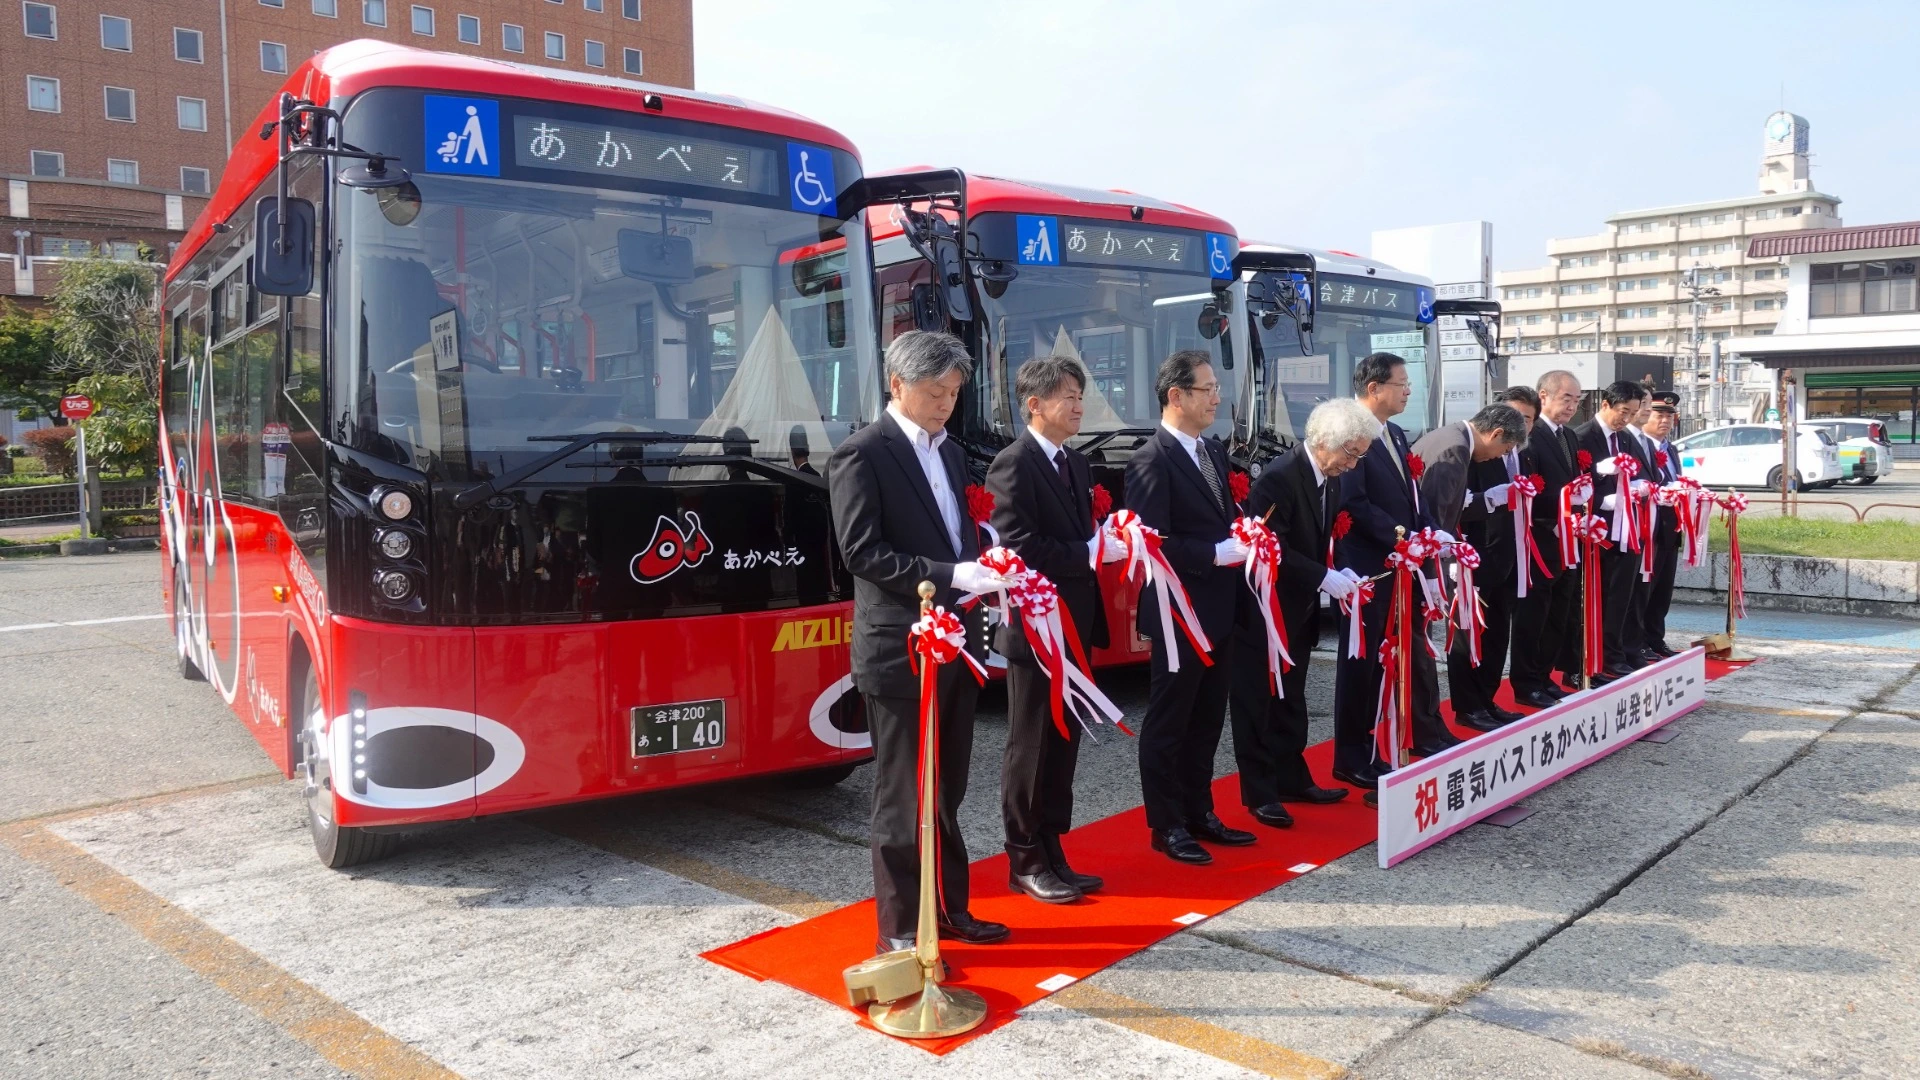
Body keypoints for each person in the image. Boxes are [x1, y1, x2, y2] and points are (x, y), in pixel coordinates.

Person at [828, 330, 1014, 953]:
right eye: (936, 393)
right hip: (899, 648)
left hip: (955, 640)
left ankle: (951, 908)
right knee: (904, 794)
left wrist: (983, 563)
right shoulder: (862, 454)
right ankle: (903, 932)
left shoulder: (951, 453)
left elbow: (953, 533)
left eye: (956, 393)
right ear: (897, 385)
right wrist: (947, 575)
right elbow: (861, 552)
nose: (946, 405)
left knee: (949, 788)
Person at [986, 355, 1116, 904]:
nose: (1078, 404)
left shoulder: (1076, 464)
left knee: (1064, 740)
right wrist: (1084, 551)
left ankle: (1053, 844)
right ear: (1033, 404)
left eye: (1081, 393)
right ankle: (1023, 856)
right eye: (1067, 394)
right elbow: (1015, 544)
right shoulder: (1013, 463)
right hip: (1037, 626)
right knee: (1032, 740)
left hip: (1074, 620)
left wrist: (1105, 541)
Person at [1125, 349, 1257, 865]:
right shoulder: (1150, 457)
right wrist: (1212, 552)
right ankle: (1166, 823)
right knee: (1170, 719)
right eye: (1207, 390)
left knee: (1207, 718)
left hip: (1220, 606)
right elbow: (1149, 540)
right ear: (1175, 395)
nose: (1216, 399)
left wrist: (1243, 536)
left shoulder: (1213, 451)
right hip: (1179, 610)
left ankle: (1200, 809)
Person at [1229, 398, 1379, 826]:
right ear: (1324, 442)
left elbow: (1313, 541)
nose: (1353, 465)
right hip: (1264, 610)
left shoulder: (1329, 476)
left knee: (1291, 698)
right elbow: (1271, 547)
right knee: (1257, 702)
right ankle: (1259, 792)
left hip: (1299, 608)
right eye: (1352, 453)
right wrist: (1322, 576)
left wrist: (1334, 572)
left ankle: (1292, 777)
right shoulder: (1279, 478)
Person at [1330, 352, 1457, 798]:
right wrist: (1401, 536)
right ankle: (1352, 756)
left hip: (1403, 565)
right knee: (1361, 664)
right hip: (1369, 570)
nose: (1408, 391)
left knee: (1401, 657)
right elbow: (1351, 502)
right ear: (1373, 389)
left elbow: (1411, 496)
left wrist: (1427, 534)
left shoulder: (1397, 434)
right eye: (1401, 383)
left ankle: (1399, 738)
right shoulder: (1349, 433)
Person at [1455, 389, 1541, 728]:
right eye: (1512, 416)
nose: (1517, 426)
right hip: (1478, 555)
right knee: (1470, 635)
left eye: (1527, 419)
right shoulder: (1476, 451)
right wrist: (1489, 499)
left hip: (1511, 555)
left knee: (1496, 637)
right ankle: (1467, 706)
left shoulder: (1523, 453)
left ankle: (1487, 701)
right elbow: (1456, 503)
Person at [1511, 371, 1588, 706]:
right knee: (1534, 615)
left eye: (1576, 399)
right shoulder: (1530, 433)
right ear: (1544, 395)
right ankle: (1526, 681)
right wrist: (1561, 504)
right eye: (1565, 398)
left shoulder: (1569, 436)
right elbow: (1528, 487)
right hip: (1539, 537)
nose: (1571, 406)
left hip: (1566, 540)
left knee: (1560, 611)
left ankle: (1544, 676)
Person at [1575, 380, 1652, 681]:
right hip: (1596, 531)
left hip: (1625, 528)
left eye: (1632, 413)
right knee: (1596, 598)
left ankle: (1614, 652)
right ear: (1605, 404)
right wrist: (1600, 501)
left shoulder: (1626, 439)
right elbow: (1575, 486)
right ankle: (1591, 656)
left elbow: (1638, 473)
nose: (1627, 419)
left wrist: (1638, 487)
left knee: (1622, 595)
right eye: (1623, 411)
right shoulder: (1582, 437)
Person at [1636, 392, 1684, 658]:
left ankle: (1655, 637)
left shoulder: (1671, 448)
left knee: (1663, 589)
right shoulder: (1640, 447)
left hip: (1670, 524)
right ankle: (1638, 640)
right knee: (1645, 587)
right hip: (1647, 526)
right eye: (1659, 414)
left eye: (1669, 415)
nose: (1665, 420)